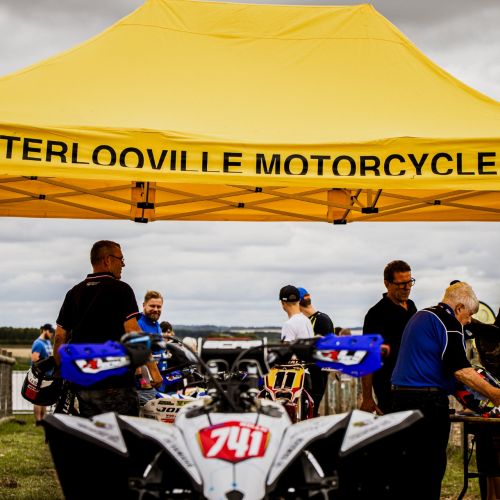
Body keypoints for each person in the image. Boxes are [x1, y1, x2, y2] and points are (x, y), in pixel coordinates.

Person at [391, 282, 500, 500]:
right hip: (425, 403)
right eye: (469, 315)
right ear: (459, 308)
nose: (468, 321)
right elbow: (461, 371)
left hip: (399, 399)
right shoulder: (449, 323)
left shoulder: (421, 316)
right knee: (430, 470)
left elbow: (437, 366)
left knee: (407, 470)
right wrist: (495, 395)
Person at [53, 240, 161, 418]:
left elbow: (59, 336)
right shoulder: (121, 290)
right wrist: (154, 371)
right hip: (115, 383)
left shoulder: (74, 293)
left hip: (83, 383)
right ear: (107, 260)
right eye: (121, 259)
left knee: (92, 432)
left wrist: (62, 370)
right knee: (123, 432)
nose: (123, 264)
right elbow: (134, 333)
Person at [360, 260, 417, 415]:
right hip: (389, 387)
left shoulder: (412, 306)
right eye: (401, 284)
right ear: (387, 284)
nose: (407, 287)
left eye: (409, 282)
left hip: (413, 385)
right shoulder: (376, 314)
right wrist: (367, 398)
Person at [298, 287, 334, 416]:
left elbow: (325, 351)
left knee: (310, 413)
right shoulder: (308, 320)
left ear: (297, 303)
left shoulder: (322, 320)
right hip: (309, 376)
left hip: (316, 376)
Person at [136, 290, 165, 403]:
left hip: (157, 382)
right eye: (152, 306)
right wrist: (144, 383)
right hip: (143, 387)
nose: (156, 309)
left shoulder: (156, 324)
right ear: (144, 305)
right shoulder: (139, 324)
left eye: (159, 306)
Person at [31, 323, 54, 424]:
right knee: (37, 399)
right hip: (39, 375)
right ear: (44, 330)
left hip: (47, 375)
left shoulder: (47, 342)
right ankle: (38, 421)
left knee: (44, 399)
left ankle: (43, 420)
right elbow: (35, 359)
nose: (52, 334)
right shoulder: (38, 343)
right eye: (50, 331)